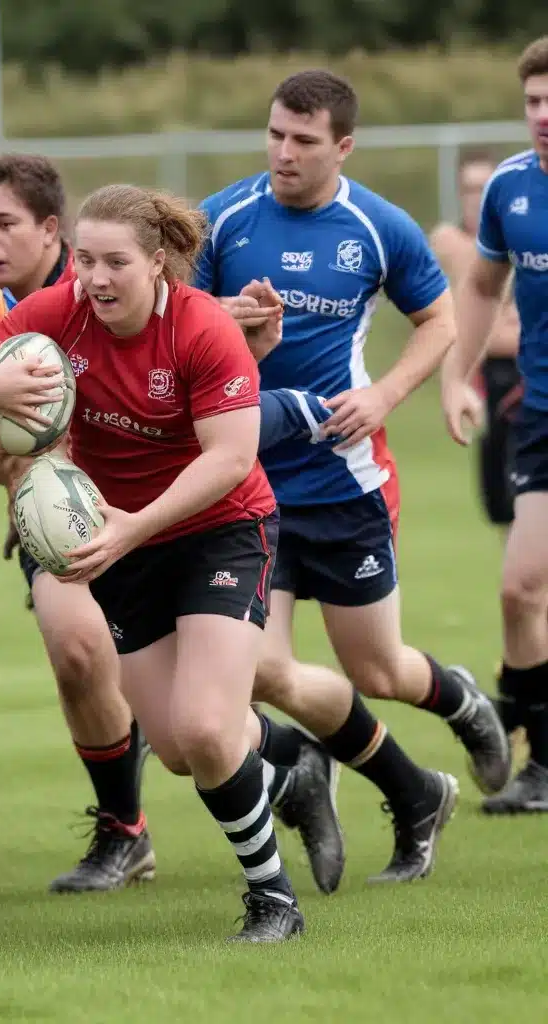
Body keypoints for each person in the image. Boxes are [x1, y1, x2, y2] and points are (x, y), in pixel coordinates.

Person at [0, 152, 344, 897]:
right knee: (175, 748)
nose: (94, 278)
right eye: (86, 260)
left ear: (158, 262)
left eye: (115, 263)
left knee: (203, 727)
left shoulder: (201, 328)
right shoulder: (51, 314)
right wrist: (9, 416)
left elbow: (230, 458)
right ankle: (294, 775)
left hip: (219, 530)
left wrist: (133, 526)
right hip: (121, 544)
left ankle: (271, 897)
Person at [194, 69, 506, 881]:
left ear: (344, 146)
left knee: (378, 669)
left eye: (303, 140)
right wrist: (222, 317)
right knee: (261, 670)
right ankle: (353, 779)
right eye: (274, 135)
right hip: (248, 484)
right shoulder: (224, 219)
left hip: (343, 482)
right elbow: (176, 321)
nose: (283, 153)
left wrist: (386, 393)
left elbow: (438, 320)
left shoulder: (378, 227)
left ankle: (458, 702)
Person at [441, 36, 548, 813]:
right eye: (533, 102)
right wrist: (454, 376)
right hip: (539, 414)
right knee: (518, 592)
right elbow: (480, 285)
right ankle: (539, 759)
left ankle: (516, 713)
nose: (541, 115)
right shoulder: (512, 187)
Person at [430, 152, 522, 528]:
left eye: (485, 188)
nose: (477, 197)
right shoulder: (446, 243)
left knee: (530, 498)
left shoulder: (524, 237)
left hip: (526, 377)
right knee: (500, 507)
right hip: (481, 379)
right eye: (469, 188)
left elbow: (503, 331)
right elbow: (440, 323)